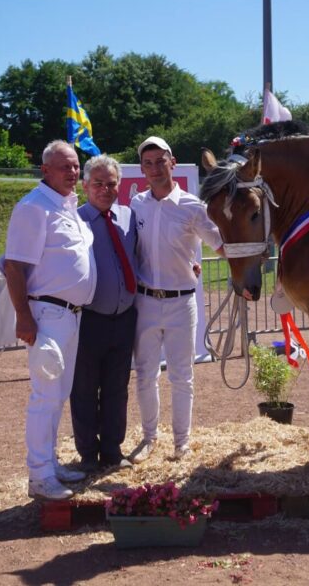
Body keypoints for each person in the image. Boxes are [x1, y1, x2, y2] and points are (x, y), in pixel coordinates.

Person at [4, 140, 97, 501]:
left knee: (58, 395)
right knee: (45, 396)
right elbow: (14, 266)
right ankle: (39, 476)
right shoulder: (33, 208)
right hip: (47, 314)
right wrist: (24, 317)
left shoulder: (68, 206)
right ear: (45, 170)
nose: (72, 173)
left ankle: (50, 462)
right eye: (64, 167)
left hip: (70, 315)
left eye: (75, 166)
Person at [129, 136, 224, 462]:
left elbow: (221, 244)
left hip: (182, 302)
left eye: (160, 161)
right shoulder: (136, 205)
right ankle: (149, 438)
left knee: (182, 376)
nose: (155, 168)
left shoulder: (193, 207)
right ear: (142, 168)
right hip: (145, 303)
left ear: (173, 162)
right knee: (145, 375)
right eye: (148, 163)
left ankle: (181, 443)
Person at [70, 155, 137, 472]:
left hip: (124, 318)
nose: (105, 189)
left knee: (116, 387)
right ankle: (87, 454)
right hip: (88, 319)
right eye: (98, 183)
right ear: (85, 186)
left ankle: (112, 450)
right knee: (83, 388)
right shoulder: (73, 221)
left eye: (111, 184)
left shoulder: (128, 216)